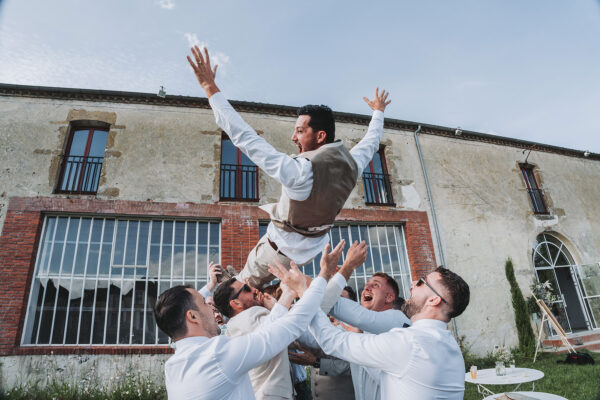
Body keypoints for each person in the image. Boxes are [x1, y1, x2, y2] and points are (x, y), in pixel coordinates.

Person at [187, 45, 391, 287]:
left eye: (299, 131)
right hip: (304, 255)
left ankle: (220, 287)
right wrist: (378, 112)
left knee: (237, 291)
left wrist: (210, 88)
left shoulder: (300, 171)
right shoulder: (352, 164)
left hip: (274, 254)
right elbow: (371, 141)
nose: (294, 138)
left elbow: (246, 138)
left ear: (320, 135)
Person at [154, 254, 337, 399]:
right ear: (193, 316)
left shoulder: (173, 367)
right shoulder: (217, 354)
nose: (212, 310)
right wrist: (302, 285)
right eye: (204, 303)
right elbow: (282, 329)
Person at [309, 267, 470, 399]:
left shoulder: (410, 343)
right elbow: (388, 376)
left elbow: (333, 341)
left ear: (433, 300)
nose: (413, 283)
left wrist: (307, 291)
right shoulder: (452, 347)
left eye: (421, 282)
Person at [212, 241, 346, 400]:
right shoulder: (249, 316)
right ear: (236, 304)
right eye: (247, 289)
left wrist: (277, 305)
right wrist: (292, 290)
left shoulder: (237, 325)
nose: (255, 289)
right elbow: (289, 326)